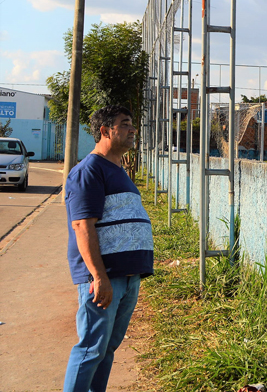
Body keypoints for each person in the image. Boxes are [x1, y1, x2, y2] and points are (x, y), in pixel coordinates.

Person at [63, 105, 153, 392]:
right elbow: (82, 226)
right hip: (103, 277)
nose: (132, 129)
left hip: (127, 276)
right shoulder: (89, 170)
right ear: (105, 131)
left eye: (132, 124)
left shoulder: (118, 170)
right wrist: (98, 277)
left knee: (107, 348)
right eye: (125, 124)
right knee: (91, 348)